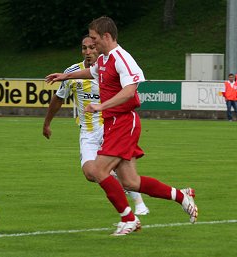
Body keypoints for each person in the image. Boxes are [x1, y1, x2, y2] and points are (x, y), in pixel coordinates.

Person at [46, 16, 198, 236]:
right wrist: (65, 76)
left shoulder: (121, 58)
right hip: (113, 123)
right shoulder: (104, 59)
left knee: (98, 170)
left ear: (107, 36)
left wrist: (101, 106)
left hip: (124, 122)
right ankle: (181, 196)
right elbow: (92, 72)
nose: (93, 44)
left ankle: (129, 218)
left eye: (95, 39)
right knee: (131, 181)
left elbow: (130, 91)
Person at [43, 35, 149, 215]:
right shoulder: (73, 72)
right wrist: (47, 123)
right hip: (88, 132)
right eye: (84, 48)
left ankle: (138, 206)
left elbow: (128, 90)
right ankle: (123, 192)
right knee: (91, 173)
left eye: (92, 47)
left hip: (110, 127)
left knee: (115, 170)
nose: (88, 52)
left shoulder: (109, 67)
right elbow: (58, 99)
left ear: (99, 47)